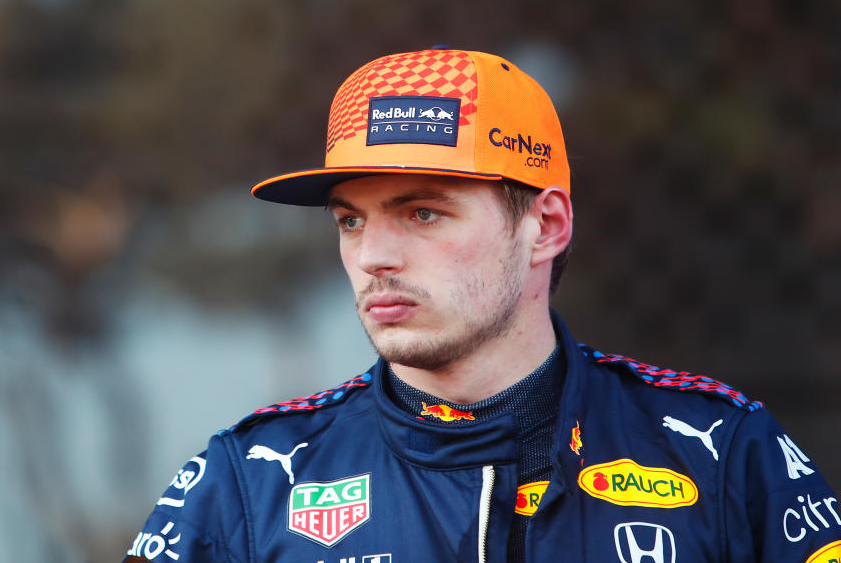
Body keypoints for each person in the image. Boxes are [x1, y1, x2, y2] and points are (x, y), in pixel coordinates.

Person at [124, 49, 839, 563]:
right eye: (350, 220)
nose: (374, 256)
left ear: (546, 227)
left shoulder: (719, 450)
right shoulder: (251, 479)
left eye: (424, 213)